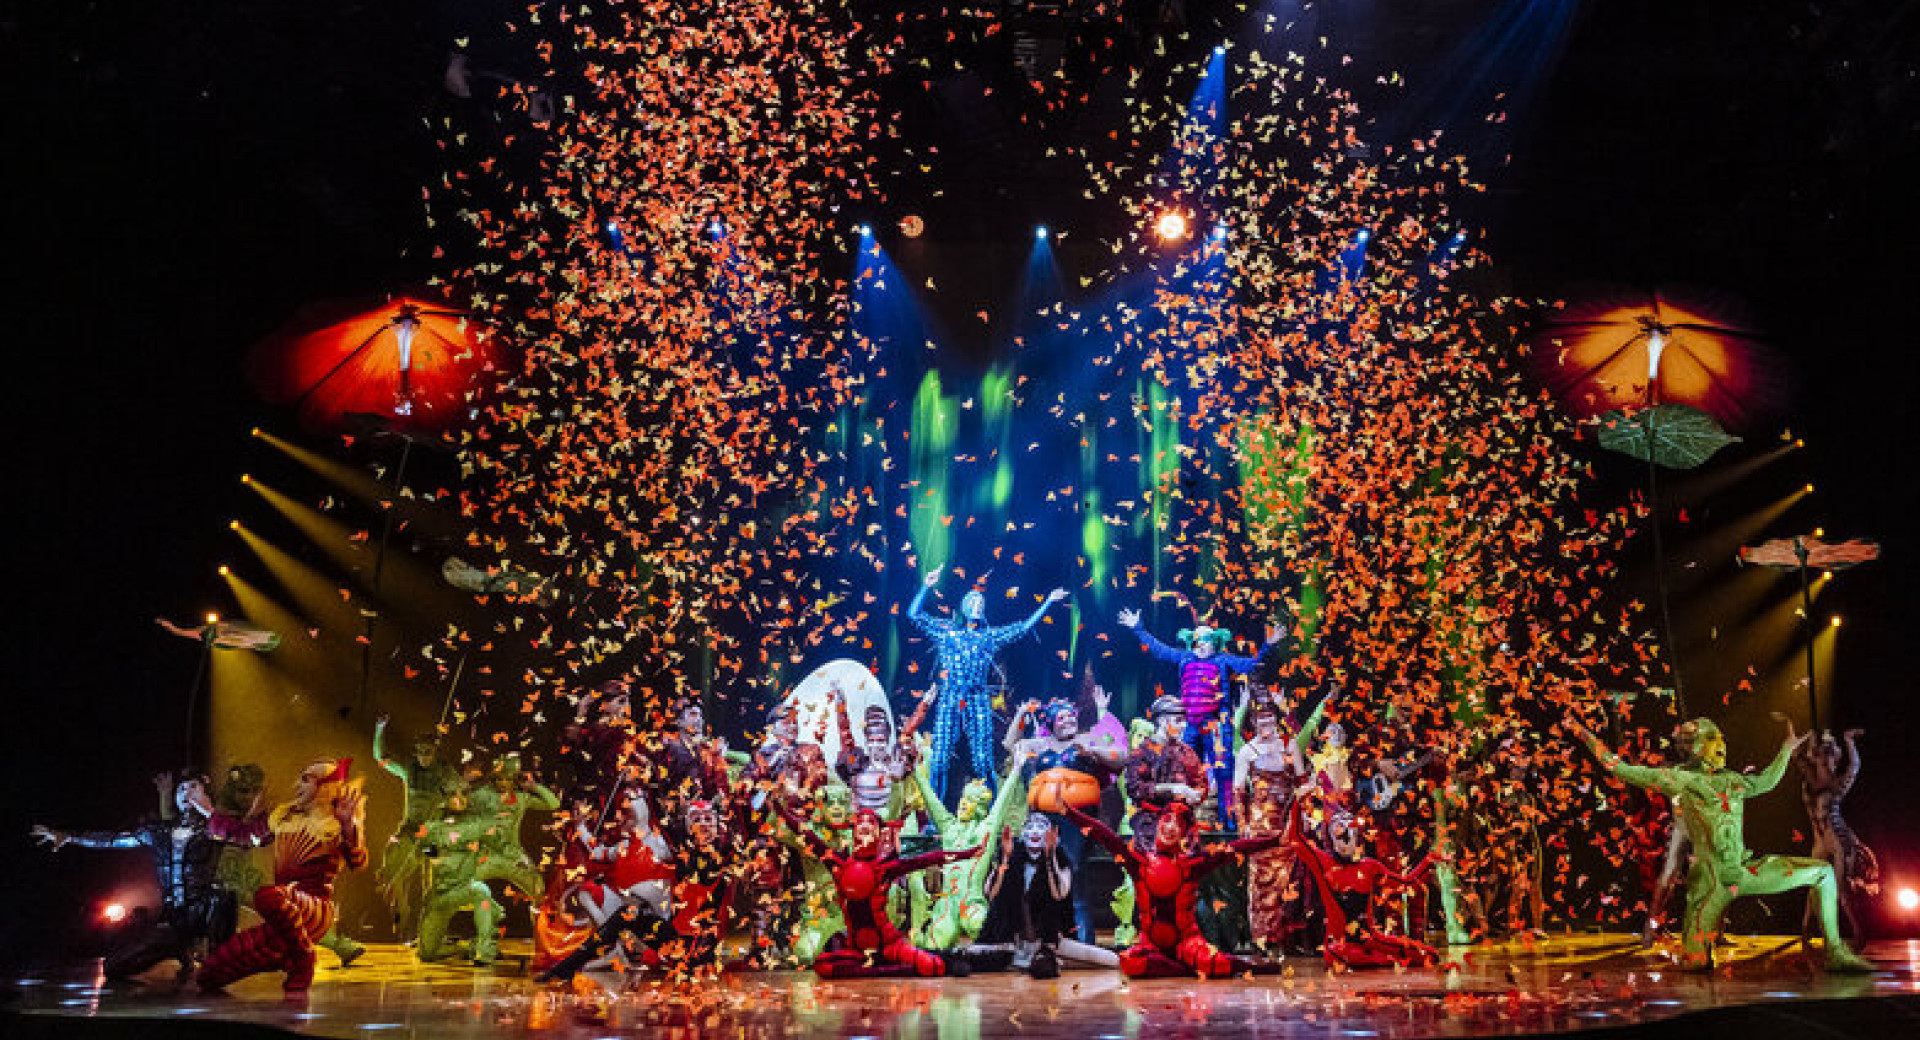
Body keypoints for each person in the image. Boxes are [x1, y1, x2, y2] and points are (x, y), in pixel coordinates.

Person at [1568, 716, 1873, 972]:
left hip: (1743, 873)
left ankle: (1834, 952)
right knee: (1695, 963)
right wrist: (1583, 733)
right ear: (1696, 746)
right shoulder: (1678, 779)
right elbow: (1618, 768)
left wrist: (1786, 749)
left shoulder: (1732, 780)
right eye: (1713, 739)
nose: (1721, 745)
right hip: (1711, 884)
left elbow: (1766, 781)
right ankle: (1697, 943)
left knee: (1823, 872)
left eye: (1722, 739)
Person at [32, 772, 238, 981]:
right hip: (175, 917)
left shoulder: (214, 828)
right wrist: (68, 836)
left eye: (193, 786)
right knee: (114, 968)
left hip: (203, 912)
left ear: (206, 792)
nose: (187, 793)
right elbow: (113, 840)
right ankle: (178, 948)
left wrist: (210, 812)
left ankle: (217, 961)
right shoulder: (159, 832)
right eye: (181, 789)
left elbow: (244, 838)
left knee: (222, 895)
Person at [193, 758, 368, 993]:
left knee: (266, 896)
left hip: (314, 910)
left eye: (306, 780)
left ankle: (303, 959)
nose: (297, 785)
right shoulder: (285, 816)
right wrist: (210, 812)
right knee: (209, 974)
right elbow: (244, 837)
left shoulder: (335, 824)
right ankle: (288, 957)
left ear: (325, 786)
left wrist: (350, 829)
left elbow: (358, 862)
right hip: (286, 916)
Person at [1064, 801, 1282, 978]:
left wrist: (1277, 840)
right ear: (1158, 823)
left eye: (1177, 825)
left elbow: (1235, 849)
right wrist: (1069, 812)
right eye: (1167, 820)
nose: (1170, 828)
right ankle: (1185, 968)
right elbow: (1106, 837)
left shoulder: (1192, 865)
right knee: (1131, 963)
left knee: (1210, 963)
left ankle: (1251, 967)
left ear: (1183, 834)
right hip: (1151, 945)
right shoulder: (1138, 861)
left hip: (1186, 942)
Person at [909, 565, 1070, 804]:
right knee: (940, 757)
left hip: (976, 697)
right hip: (951, 695)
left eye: (981, 604)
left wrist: (1048, 602)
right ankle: (935, 814)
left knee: (983, 760)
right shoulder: (947, 632)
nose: (977, 607)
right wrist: (926, 586)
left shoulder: (988, 637)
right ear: (964, 607)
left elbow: (1023, 628)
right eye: (973, 603)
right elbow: (914, 615)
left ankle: (993, 809)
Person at [1118, 606, 1287, 824]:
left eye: (1207, 640)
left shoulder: (1222, 659)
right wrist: (1138, 629)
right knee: (1183, 767)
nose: (1202, 644)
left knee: (1223, 772)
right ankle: (1184, 817)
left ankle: (1228, 820)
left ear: (1214, 643)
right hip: (1189, 725)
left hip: (1215, 725)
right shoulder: (1185, 658)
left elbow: (1251, 664)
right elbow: (1159, 650)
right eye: (1198, 640)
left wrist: (1268, 645)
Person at [778, 803, 982, 978]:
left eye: (871, 822)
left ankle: (894, 965)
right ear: (853, 830)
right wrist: (779, 809)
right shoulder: (839, 867)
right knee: (822, 965)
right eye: (861, 821)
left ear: (879, 831)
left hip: (889, 945)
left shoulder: (884, 869)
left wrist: (967, 853)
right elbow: (808, 837)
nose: (865, 825)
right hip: (857, 949)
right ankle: (893, 969)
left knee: (933, 967)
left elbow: (930, 858)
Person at [1007, 698, 1123, 943]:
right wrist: (1020, 714)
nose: (1069, 720)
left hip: (1077, 820)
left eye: (1072, 716)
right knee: (1042, 874)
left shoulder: (1085, 741)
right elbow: (1010, 744)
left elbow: (1120, 758)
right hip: (1044, 819)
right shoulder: (1040, 744)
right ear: (1051, 723)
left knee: (1074, 871)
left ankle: (1083, 939)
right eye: (1062, 717)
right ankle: (1044, 936)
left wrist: (1094, 752)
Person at [975, 813, 1118, 976]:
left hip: (1050, 942)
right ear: (1023, 834)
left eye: (1040, 827)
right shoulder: (1012, 860)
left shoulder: (1061, 860)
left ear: (1051, 835)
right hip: (1010, 943)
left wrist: (1050, 858)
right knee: (970, 954)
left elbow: (1059, 893)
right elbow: (991, 894)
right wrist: (1005, 860)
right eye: (1030, 827)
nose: (1035, 832)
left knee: (1109, 959)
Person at [1232, 694, 1309, 952]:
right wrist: (1243, 824)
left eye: (1270, 718)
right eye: (1260, 719)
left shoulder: (1290, 745)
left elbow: (1301, 781)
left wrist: (1306, 813)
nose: (1266, 724)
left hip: (1287, 820)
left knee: (1288, 879)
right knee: (1262, 881)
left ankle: (1288, 938)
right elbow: (1239, 792)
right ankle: (1264, 938)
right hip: (1261, 822)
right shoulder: (1247, 751)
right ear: (1253, 721)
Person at [372, 715, 462, 929]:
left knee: (432, 881)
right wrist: (379, 729)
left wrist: (449, 796)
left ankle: (430, 929)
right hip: (410, 831)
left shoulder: (445, 772)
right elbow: (380, 758)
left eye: (428, 752)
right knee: (394, 868)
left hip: (431, 837)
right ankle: (403, 912)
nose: (423, 757)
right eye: (420, 752)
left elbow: (461, 795)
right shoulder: (409, 771)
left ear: (435, 752)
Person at [1792, 722, 1878, 943]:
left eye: (1829, 757)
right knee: (1812, 886)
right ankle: (1805, 930)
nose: (1825, 761)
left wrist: (1849, 741)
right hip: (1820, 841)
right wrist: (1792, 728)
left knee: (1840, 889)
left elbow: (1855, 766)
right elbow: (1795, 754)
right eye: (1822, 756)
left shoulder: (1837, 784)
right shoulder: (1808, 781)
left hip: (1837, 839)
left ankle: (1858, 932)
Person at [414, 786, 501, 964]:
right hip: (440, 896)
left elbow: (492, 832)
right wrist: (433, 853)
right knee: (426, 954)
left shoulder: (476, 824)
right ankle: (465, 947)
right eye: (453, 794)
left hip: (462, 889)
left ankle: (484, 949)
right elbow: (419, 847)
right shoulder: (432, 826)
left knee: (481, 890)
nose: (458, 798)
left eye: (463, 794)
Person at [1123, 695, 1209, 851]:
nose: (1183, 726)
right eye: (1178, 720)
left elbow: (1201, 785)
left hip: (1183, 830)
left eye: (1184, 720)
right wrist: (1171, 788)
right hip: (1152, 832)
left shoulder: (1187, 752)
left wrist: (1196, 796)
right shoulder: (1142, 753)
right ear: (1162, 721)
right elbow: (1134, 788)